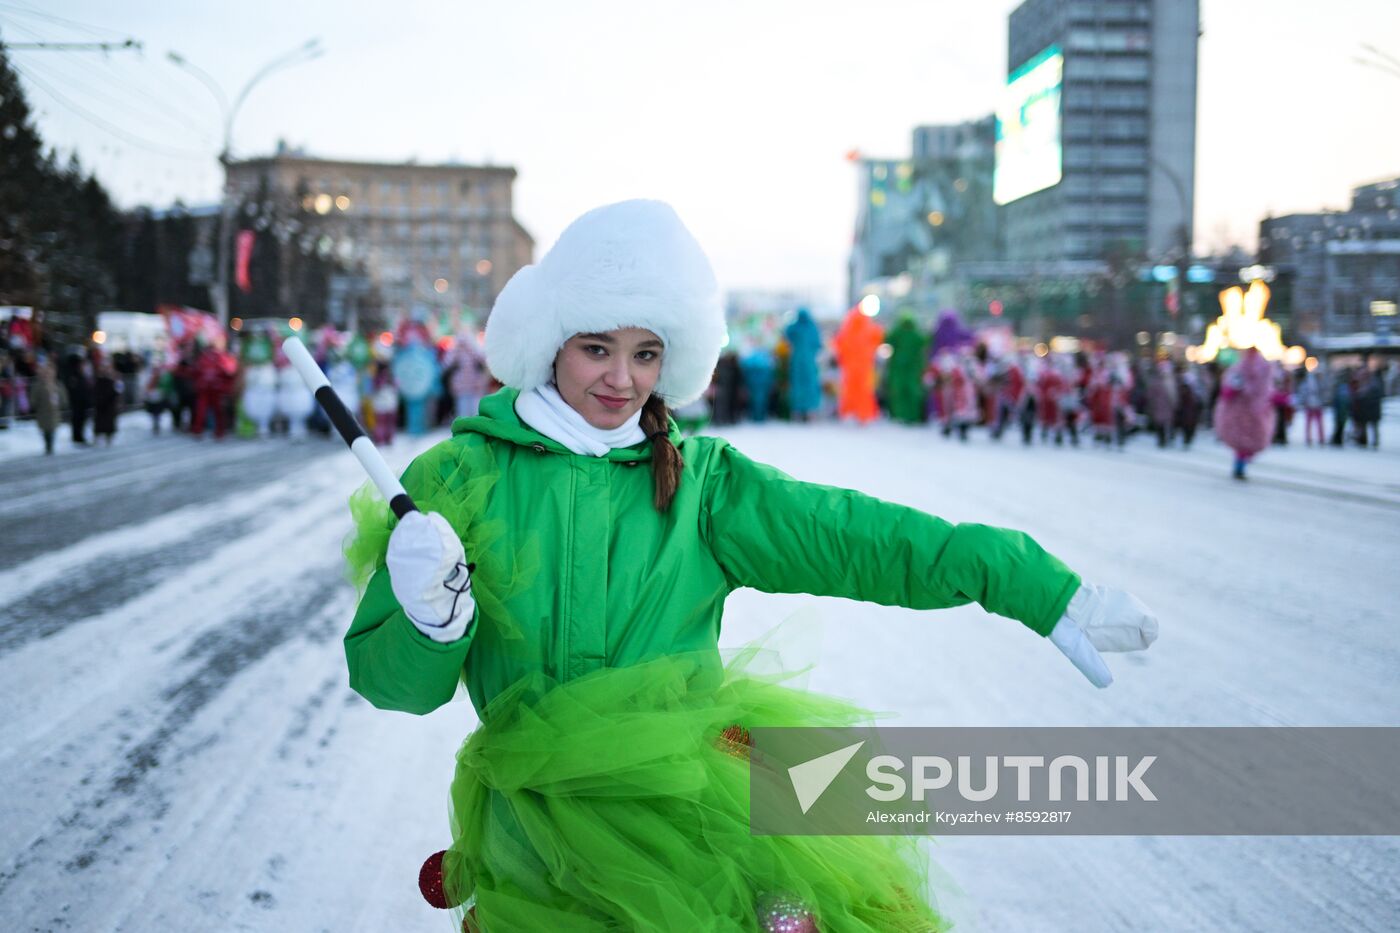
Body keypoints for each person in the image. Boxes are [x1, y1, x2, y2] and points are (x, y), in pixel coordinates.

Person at [343, 201, 1159, 932]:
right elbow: (394, 685)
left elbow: (858, 537)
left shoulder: (703, 486)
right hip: (534, 847)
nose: (621, 379)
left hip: (688, 823)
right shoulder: (460, 481)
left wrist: (1030, 582)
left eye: (646, 352)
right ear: (551, 340)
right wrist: (429, 618)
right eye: (597, 347)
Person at [1214, 347, 1277, 480]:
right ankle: (1240, 467)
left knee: (1250, 443)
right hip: (1241, 413)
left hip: (1254, 414)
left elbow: (1266, 392)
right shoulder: (1238, 371)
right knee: (1242, 443)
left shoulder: (1262, 371)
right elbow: (1228, 391)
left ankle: (1241, 464)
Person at [31, 359, 67, 455]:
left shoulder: (57, 385)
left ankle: (50, 446)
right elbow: (34, 399)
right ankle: (48, 445)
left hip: (54, 412)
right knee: (45, 430)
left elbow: (63, 397)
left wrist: (62, 402)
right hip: (43, 413)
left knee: (52, 429)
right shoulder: (39, 385)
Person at [92, 358, 121, 446]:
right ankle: (98, 437)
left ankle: (108, 438)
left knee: (109, 423)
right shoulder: (98, 380)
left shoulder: (113, 380)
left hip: (109, 407)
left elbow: (117, 392)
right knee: (100, 423)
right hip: (101, 406)